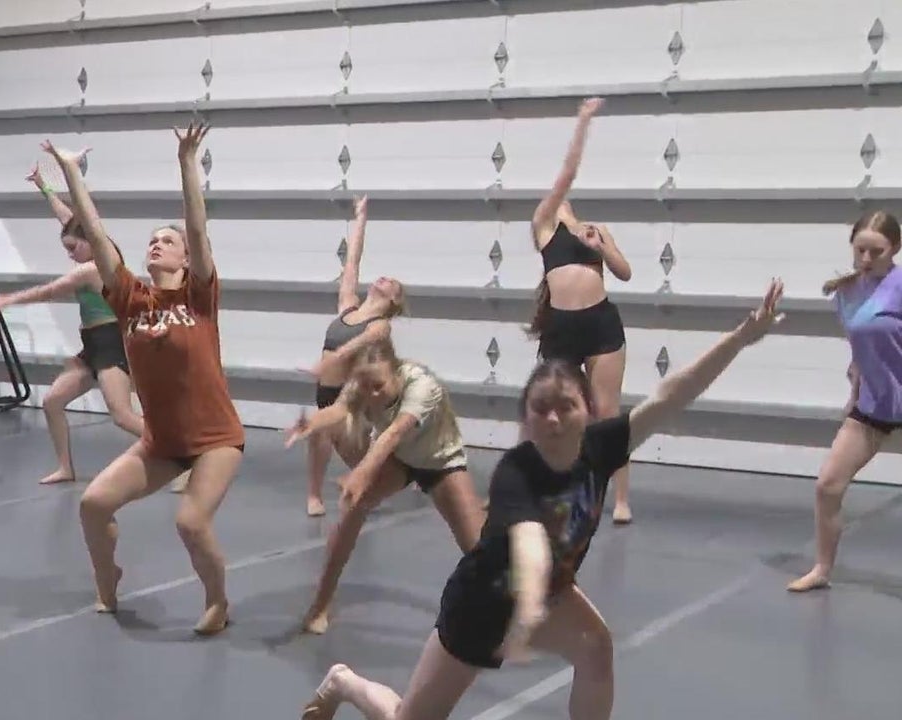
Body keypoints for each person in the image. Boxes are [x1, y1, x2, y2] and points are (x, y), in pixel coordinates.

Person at [301, 278, 785, 720]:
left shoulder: (602, 447)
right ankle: (345, 682)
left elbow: (673, 395)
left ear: (588, 410)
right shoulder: (517, 473)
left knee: (595, 648)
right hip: (481, 607)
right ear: (526, 419)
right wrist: (529, 607)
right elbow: (530, 542)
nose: (554, 419)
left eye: (566, 407)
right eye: (541, 409)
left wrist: (741, 337)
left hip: (547, 592)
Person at [43, 121, 244, 635]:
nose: (157, 245)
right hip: (162, 443)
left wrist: (186, 162)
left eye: (167, 241)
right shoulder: (130, 298)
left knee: (190, 522)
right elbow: (95, 234)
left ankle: (218, 602)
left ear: (184, 257)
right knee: (93, 504)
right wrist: (70, 172)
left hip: (216, 438)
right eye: (152, 240)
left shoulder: (198, 296)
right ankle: (107, 575)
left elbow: (197, 228)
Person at [285, 338, 485, 634]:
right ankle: (320, 605)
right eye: (365, 387)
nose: (372, 395)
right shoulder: (361, 383)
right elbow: (340, 409)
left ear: (396, 372)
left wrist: (361, 473)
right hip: (400, 460)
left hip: (440, 461)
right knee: (351, 512)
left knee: (479, 548)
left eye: (379, 386)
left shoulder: (421, 386)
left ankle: (503, 609)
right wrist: (312, 423)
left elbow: (393, 434)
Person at [0, 160, 144, 486]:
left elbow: (49, 291)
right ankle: (65, 467)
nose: (70, 254)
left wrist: (7, 300)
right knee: (52, 401)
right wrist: (43, 186)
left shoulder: (95, 267)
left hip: (112, 344)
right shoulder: (89, 248)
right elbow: (67, 218)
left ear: (89, 241)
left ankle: (183, 454)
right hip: (92, 346)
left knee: (122, 416)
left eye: (73, 248)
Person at [526, 97, 635, 524]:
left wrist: (600, 247)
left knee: (607, 413)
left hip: (601, 324)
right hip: (562, 328)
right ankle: (551, 486)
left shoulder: (594, 230)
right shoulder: (543, 227)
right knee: (555, 407)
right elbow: (567, 173)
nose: (560, 199)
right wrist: (583, 121)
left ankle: (619, 498)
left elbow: (624, 272)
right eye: (556, 196)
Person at [789, 210, 902, 592]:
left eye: (877, 252)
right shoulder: (846, 293)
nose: (867, 259)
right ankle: (822, 569)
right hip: (875, 402)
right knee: (828, 485)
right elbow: (860, 351)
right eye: (860, 250)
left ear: (895, 248)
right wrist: (854, 394)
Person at [303, 195, 407, 517]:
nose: (384, 278)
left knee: (332, 439)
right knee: (328, 440)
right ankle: (317, 494)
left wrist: (332, 359)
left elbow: (363, 341)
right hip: (324, 390)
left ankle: (396, 474)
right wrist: (360, 218)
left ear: (393, 301)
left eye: (392, 283)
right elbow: (352, 262)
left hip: (348, 398)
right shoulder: (348, 306)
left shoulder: (381, 325)